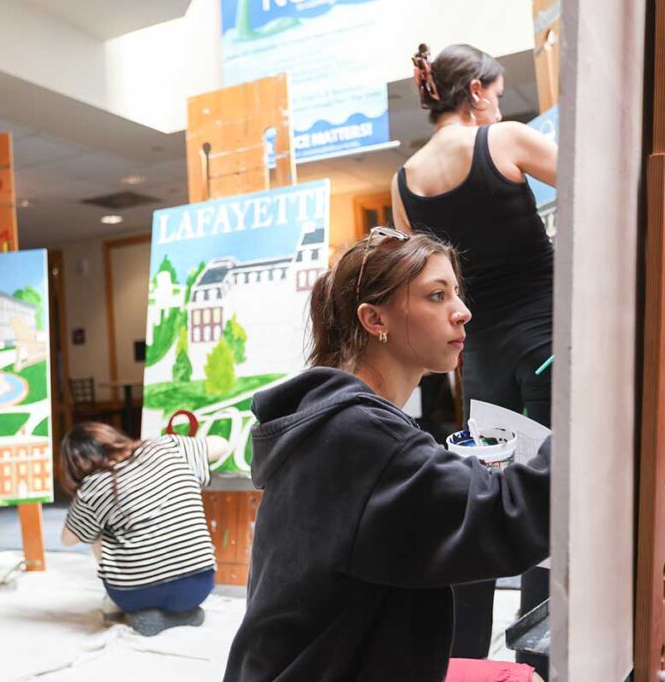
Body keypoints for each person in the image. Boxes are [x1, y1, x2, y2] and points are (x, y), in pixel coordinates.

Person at [223, 230, 551, 681]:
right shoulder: (358, 433)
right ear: (375, 319)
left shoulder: (333, 421)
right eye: (437, 295)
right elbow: (504, 519)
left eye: (456, 292)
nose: (463, 311)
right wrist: (583, 431)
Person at [392, 42, 558, 667]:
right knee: (549, 494)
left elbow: (425, 277)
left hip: (480, 354)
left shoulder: (405, 179)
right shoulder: (506, 141)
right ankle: (540, 660)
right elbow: (608, 189)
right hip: (548, 341)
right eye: (497, 90)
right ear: (476, 91)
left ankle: (462, 661)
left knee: (486, 496)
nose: (497, 104)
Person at [59, 421, 230, 636]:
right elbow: (222, 444)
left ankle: (134, 610)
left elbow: (68, 539)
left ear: (76, 463)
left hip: (135, 594)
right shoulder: (168, 447)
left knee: (96, 526)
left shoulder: (94, 487)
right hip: (199, 585)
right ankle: (183, 613)